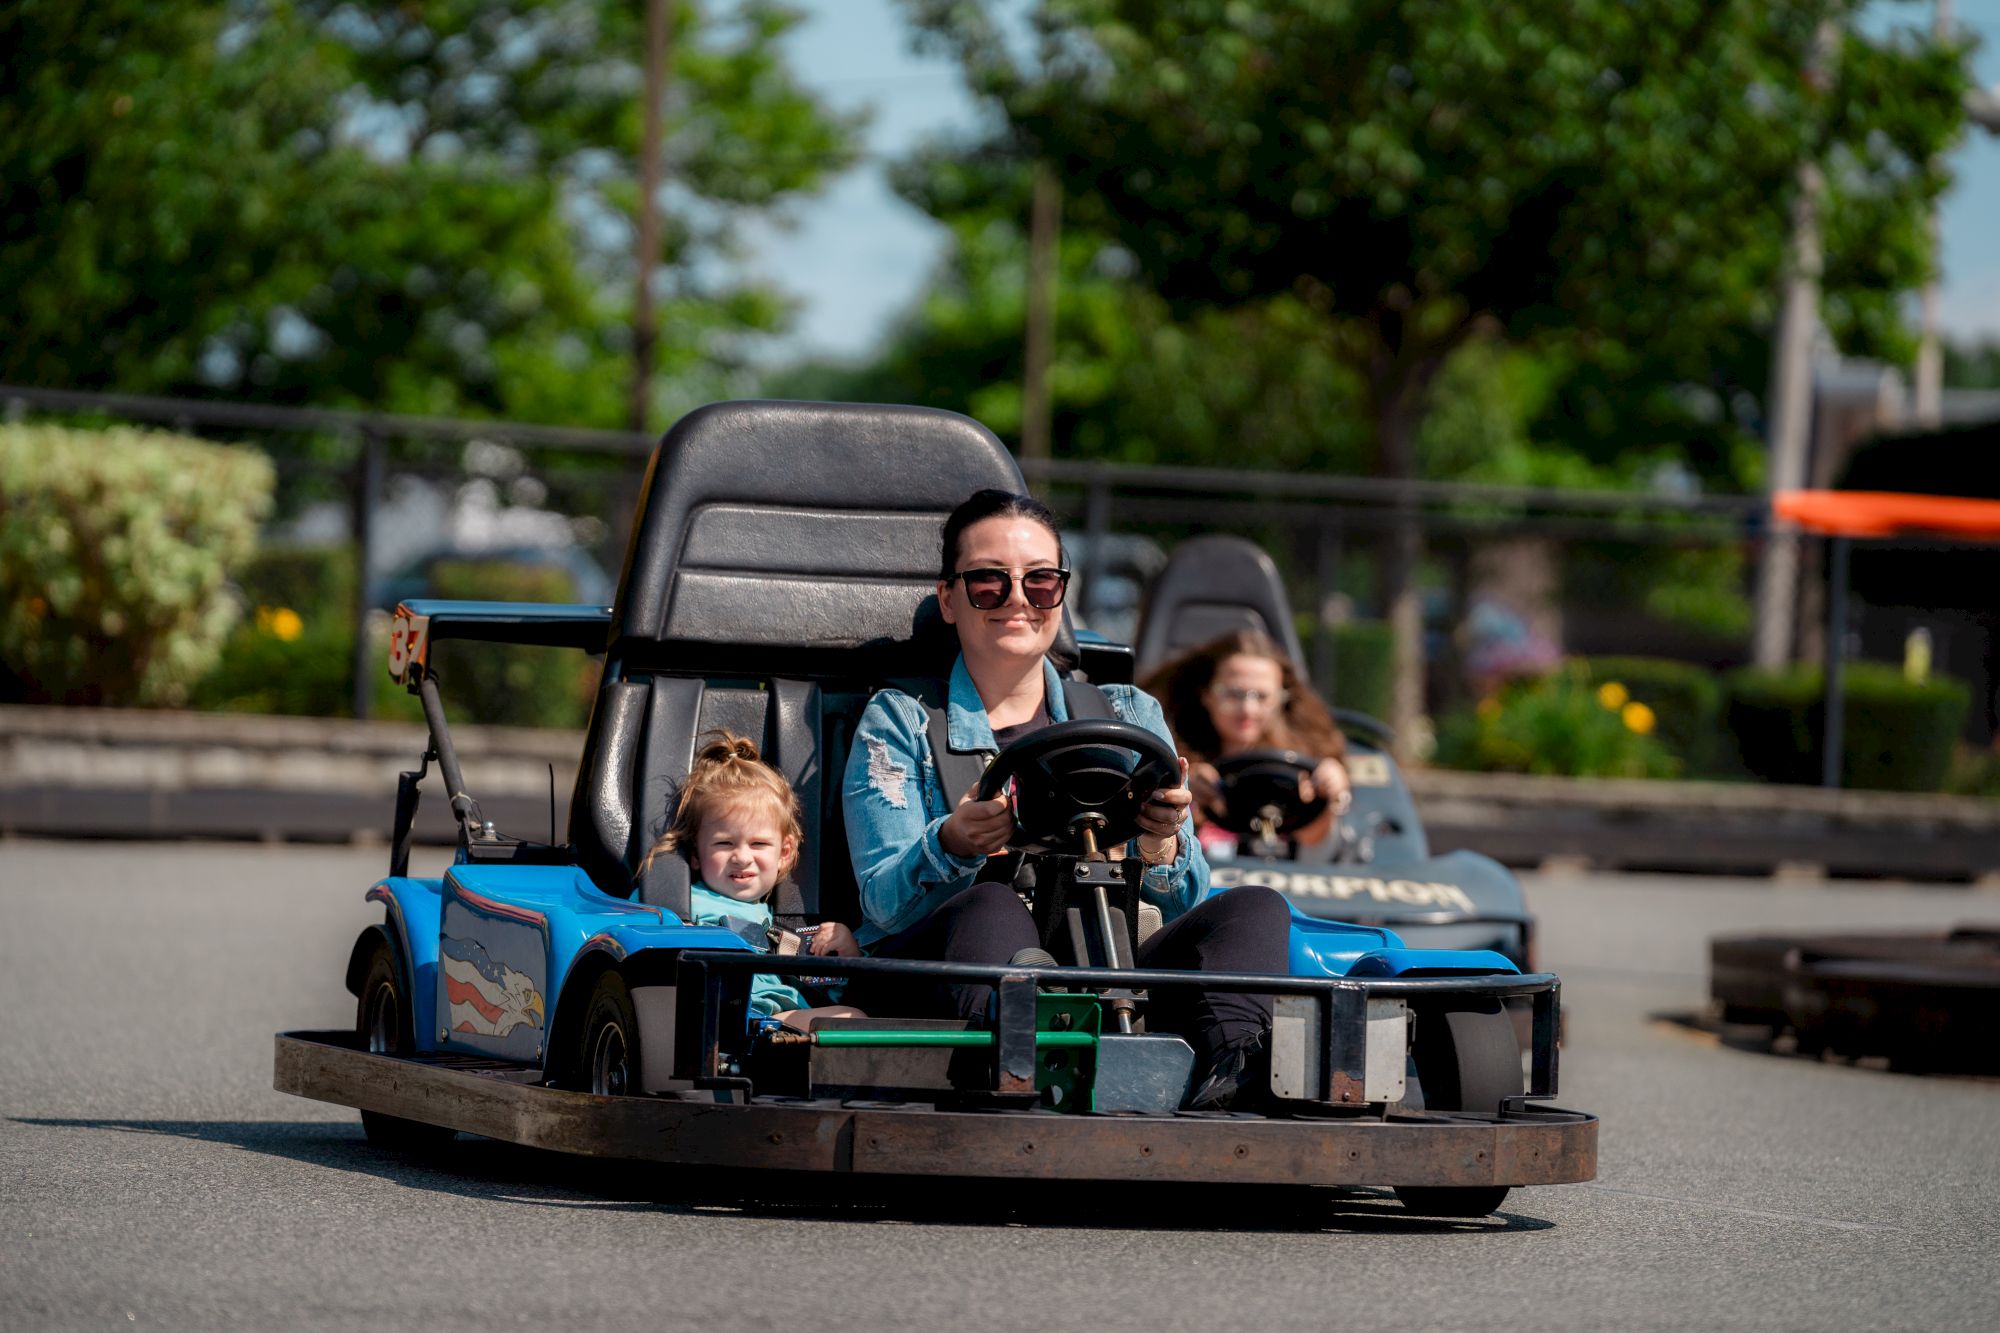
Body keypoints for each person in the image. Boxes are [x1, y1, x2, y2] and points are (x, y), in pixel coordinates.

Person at [840, 489, 1292, 1110]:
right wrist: (953, 843)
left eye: (1041, 581)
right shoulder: (903, 720)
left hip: (1108, 957)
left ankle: (1233, 1075)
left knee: (1256, 908)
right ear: (950, 599)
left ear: (1061, 592)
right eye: (989, 583)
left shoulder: (1128, 712)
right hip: (954, 963)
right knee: (991, 906)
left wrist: (1159, 842)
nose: (1019, 600)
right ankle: (1029, 1069)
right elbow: (883, 905)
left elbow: (1187, 897)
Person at [641, 732, 863, 1028]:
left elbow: (823, 991)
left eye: (758, 844)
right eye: (724, 844)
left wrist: (847, 956)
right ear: (695, 853)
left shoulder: (785, 930)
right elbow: (632, 932)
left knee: (854, 1019)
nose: (742, 857)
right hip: (713, 1016)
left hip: (774, 1019)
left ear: (784, 853)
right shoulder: (680, 901)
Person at [1141, 629, 1352, 852]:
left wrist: (1330, 795)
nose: (1248, 710)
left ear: (1281, 699)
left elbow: (1315, 850)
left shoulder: (1303, 762)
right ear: (1206, 694)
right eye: (1234, 694)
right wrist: (1182, 791)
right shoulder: (1166, 753)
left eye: (1262, 697)